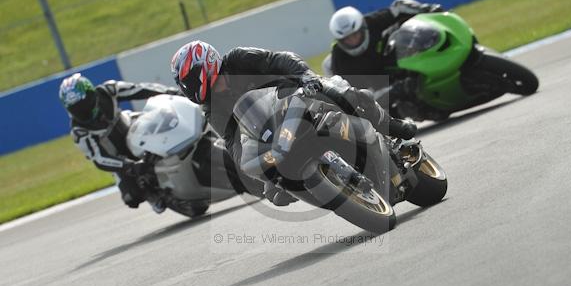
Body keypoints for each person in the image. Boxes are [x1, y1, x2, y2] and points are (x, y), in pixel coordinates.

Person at [170, 41, 418, 206]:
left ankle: (391, 125)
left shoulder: (238, 59)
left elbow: (278, 59)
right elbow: (232, 141)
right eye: (184, 84)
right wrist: (253, 171)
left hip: (299, 95)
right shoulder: (211, 107)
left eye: (190, 79)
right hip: (275, 132)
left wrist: (307, 78)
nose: (189, 87)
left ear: (207, 62)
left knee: (345, 93)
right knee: (274, 193)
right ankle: (339, 193)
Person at [58, 73, 181, 209]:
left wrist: (170, 92)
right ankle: (162, 195)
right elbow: (99, 159)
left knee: (167, 119)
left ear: (92, 94)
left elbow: (139, 89)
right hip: (118, 157)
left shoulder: (108, 90)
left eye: (84, 104)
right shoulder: (79, 131)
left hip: (134, 127)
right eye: (76, 109)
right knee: (131, 197)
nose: (82, 110)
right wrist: (129, 165)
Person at [326, 0, 444, 91]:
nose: (352, 41)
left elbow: (399, 7)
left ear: (363, 27)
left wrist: (427, 9)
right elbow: (349, 96)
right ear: (340, 41)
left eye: (355, 35)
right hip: (376, 92)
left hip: (394, 66)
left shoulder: (371, 22)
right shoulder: (339, 60)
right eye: (347, 39)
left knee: (403, 31)